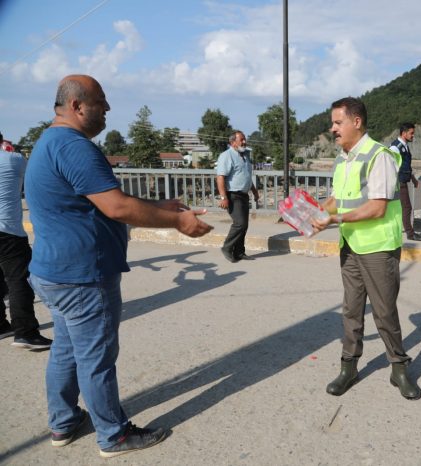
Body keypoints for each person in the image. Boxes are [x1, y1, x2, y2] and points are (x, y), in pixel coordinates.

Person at [24, 74, 213, 458]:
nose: (108, 108)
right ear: (77, 106)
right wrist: (178, 221)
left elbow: (99, 201)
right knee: (96, 358)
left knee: (66, 350)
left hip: (53, 273)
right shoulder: (75, 147)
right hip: (82, 276)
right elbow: (116, 207)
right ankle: (114, 435)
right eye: (101, 101)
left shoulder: (50, 141)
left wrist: (158, 206)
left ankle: (63, 421)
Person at [312, 97, 421, 400]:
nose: (333, 129)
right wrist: (314, 213)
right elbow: (337, 198)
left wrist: (335, 219)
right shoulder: (342, 159)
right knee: (351, 310)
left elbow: (377, 207)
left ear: (356, 122)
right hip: (350, 244)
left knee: (384, 312)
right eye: (333, 123)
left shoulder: (379, 156)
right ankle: (348, 367)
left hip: (377, 247)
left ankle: (399, 369)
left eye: (338, 122)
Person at [0, 136, 52, 349]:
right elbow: (39, 175)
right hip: (7, 232)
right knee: (19, 280)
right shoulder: (13, 159)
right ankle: (25, 333)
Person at [216, 131, 259, 262]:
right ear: (233, 142)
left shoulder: (245, 156)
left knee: (244, 225)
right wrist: (223, 198)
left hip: (244, 195)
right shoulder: (226, 156)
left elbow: (246, 177)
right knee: (240, 223)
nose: (244, 142)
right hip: (233, 195)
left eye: (245, 139)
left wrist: (254, 191)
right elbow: (220, 177)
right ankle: (227, 247)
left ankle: (239, 252)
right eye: (241, 140)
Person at [389, 122, 421, 241]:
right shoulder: (395, 147)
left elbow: (406, 165)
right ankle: (410, 234)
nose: (413, 135)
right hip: (398, 182)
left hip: (402, 181)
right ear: (404, 133)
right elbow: (389, 165)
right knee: (406, 207)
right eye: (411, 133)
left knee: (399, 207)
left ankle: (399, 230)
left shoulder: (404, 146)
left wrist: (413, 179)